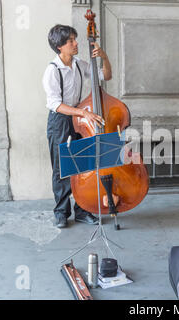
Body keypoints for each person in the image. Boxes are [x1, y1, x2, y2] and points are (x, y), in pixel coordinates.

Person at [43, 24, 112, 228]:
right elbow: (55, 104)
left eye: (75, 39)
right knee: (61, 168)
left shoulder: (80, 64)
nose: (76, 43)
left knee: (82, 165)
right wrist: (83, 112)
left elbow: (105, 76)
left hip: (79, 119)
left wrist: (104, 57)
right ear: (59, 47)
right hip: (60, 120)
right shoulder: (52, 70)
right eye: (70, 41)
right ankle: (61, 213)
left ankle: (82, 210)